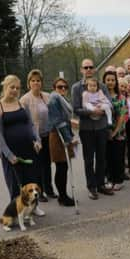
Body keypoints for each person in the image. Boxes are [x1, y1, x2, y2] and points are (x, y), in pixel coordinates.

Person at [0, 75, 43, 217]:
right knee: (14, 184)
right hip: (11, 154)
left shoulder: (22, 105)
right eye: (12, 87)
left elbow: (30, 125)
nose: (15, 90)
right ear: (5, 87)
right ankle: (17, 212)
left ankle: (34, 207)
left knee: (31, 181)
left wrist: (37, 140)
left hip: (28, 150)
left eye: (17, 88)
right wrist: (9, 155)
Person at [71, 58, 113, 200]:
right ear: (82, 70)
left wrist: (101, 111)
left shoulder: (102, 86)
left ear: (94, 69)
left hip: (101, 127)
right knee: (89, 159)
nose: (88, 70)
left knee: (102, 157)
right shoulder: (77, 88)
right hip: (87, 129)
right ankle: (91, 187)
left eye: (91, 67)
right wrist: (91, 112)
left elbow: (110, 103)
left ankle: (100, 184)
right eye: (86, 67)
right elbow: (76, 109)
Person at [19, 69, 56, 202]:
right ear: (29, 83)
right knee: (37, 166)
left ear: (41, 82)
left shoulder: (46, 96)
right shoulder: (25, 99)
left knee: (47, 164)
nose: (36, 83)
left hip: (48, 135)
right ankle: (39, 192)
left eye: (38, 80)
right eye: (33, 80)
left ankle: (49, 189)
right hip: (35, 138)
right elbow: (24, 122)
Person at [47, 77, 76, 206]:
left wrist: (70, 136)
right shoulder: (54, 100)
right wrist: (68, 139)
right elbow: (58, 121)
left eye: (65, 87)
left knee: (64, 166)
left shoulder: (63, 100)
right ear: (54, 88)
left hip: (65, 134)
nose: (63, 89)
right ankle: (62, 197)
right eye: (60, 87)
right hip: (58, 136)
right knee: (61, 167)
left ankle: (63, 195)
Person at [103, 71, 127, 191]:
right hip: (104, 132)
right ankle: (110, 179)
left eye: (112, 80)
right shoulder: (101, 97)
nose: (110, 82)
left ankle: (119, 180)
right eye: (108, 80)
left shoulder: (121, 97)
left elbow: (122, 117)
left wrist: (114, 132)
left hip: (118, 133)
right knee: (108, 157)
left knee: (118, 157)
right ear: (104, 82)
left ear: (116, 82)